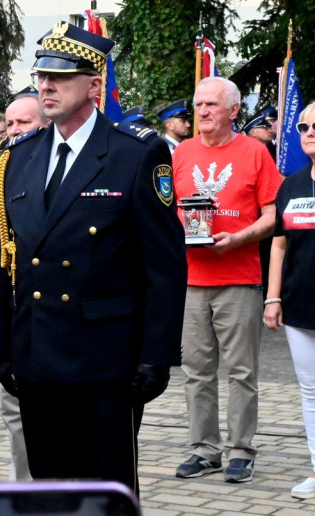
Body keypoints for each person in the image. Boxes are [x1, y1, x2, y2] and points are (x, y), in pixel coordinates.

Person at [0, 22, 187, 494]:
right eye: (41, 76)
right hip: (37, 355)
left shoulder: (135, 153)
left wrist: (156, 356)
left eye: (60, 76)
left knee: (106, 490)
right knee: (49, 484)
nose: (46, 86)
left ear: (94, 85)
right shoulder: (18, 155)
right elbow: (5, 262)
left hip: (105, 361)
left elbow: (164, 264)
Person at [171, 76, 281, 484]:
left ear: (233, 110)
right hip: (191, 279)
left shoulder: (255, 152)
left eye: (211, 105)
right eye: (198, 105)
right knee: (196, 372)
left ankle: (240, 450)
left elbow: (274, 217)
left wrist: (239, 237)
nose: (202, 112)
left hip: (239, 277)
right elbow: (169, 209)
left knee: (241, 371)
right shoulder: (181, 153)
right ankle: (204, 449)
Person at [0, 89, 51, 482]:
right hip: (15, 322)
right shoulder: (4, 173)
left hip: (59, 326)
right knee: (16, 425)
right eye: (9, 124)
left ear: (47, 124)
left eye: (23, 122)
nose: (13, 131)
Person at [264, 101, 315, 500]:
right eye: (302, 125)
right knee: (311, 393)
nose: (308, 131)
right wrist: (272, 297)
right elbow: (279, 247)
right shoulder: (292, 185)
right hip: (299, 305)